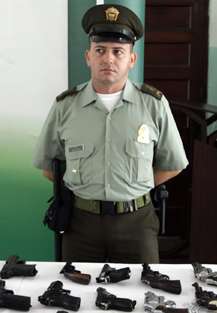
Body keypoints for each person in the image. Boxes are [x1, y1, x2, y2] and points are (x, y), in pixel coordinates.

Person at [30, 4, 188, 263]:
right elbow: (50, 168)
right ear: (88, 57)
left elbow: (173, 165)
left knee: (141, 296)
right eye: (100, 50)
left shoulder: (154, 105)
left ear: (131, 59)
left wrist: (132, 189)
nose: (109, 59)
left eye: (118, 52)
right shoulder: (65, 106)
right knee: (77, 295)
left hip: (136, 223)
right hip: (80, 226)